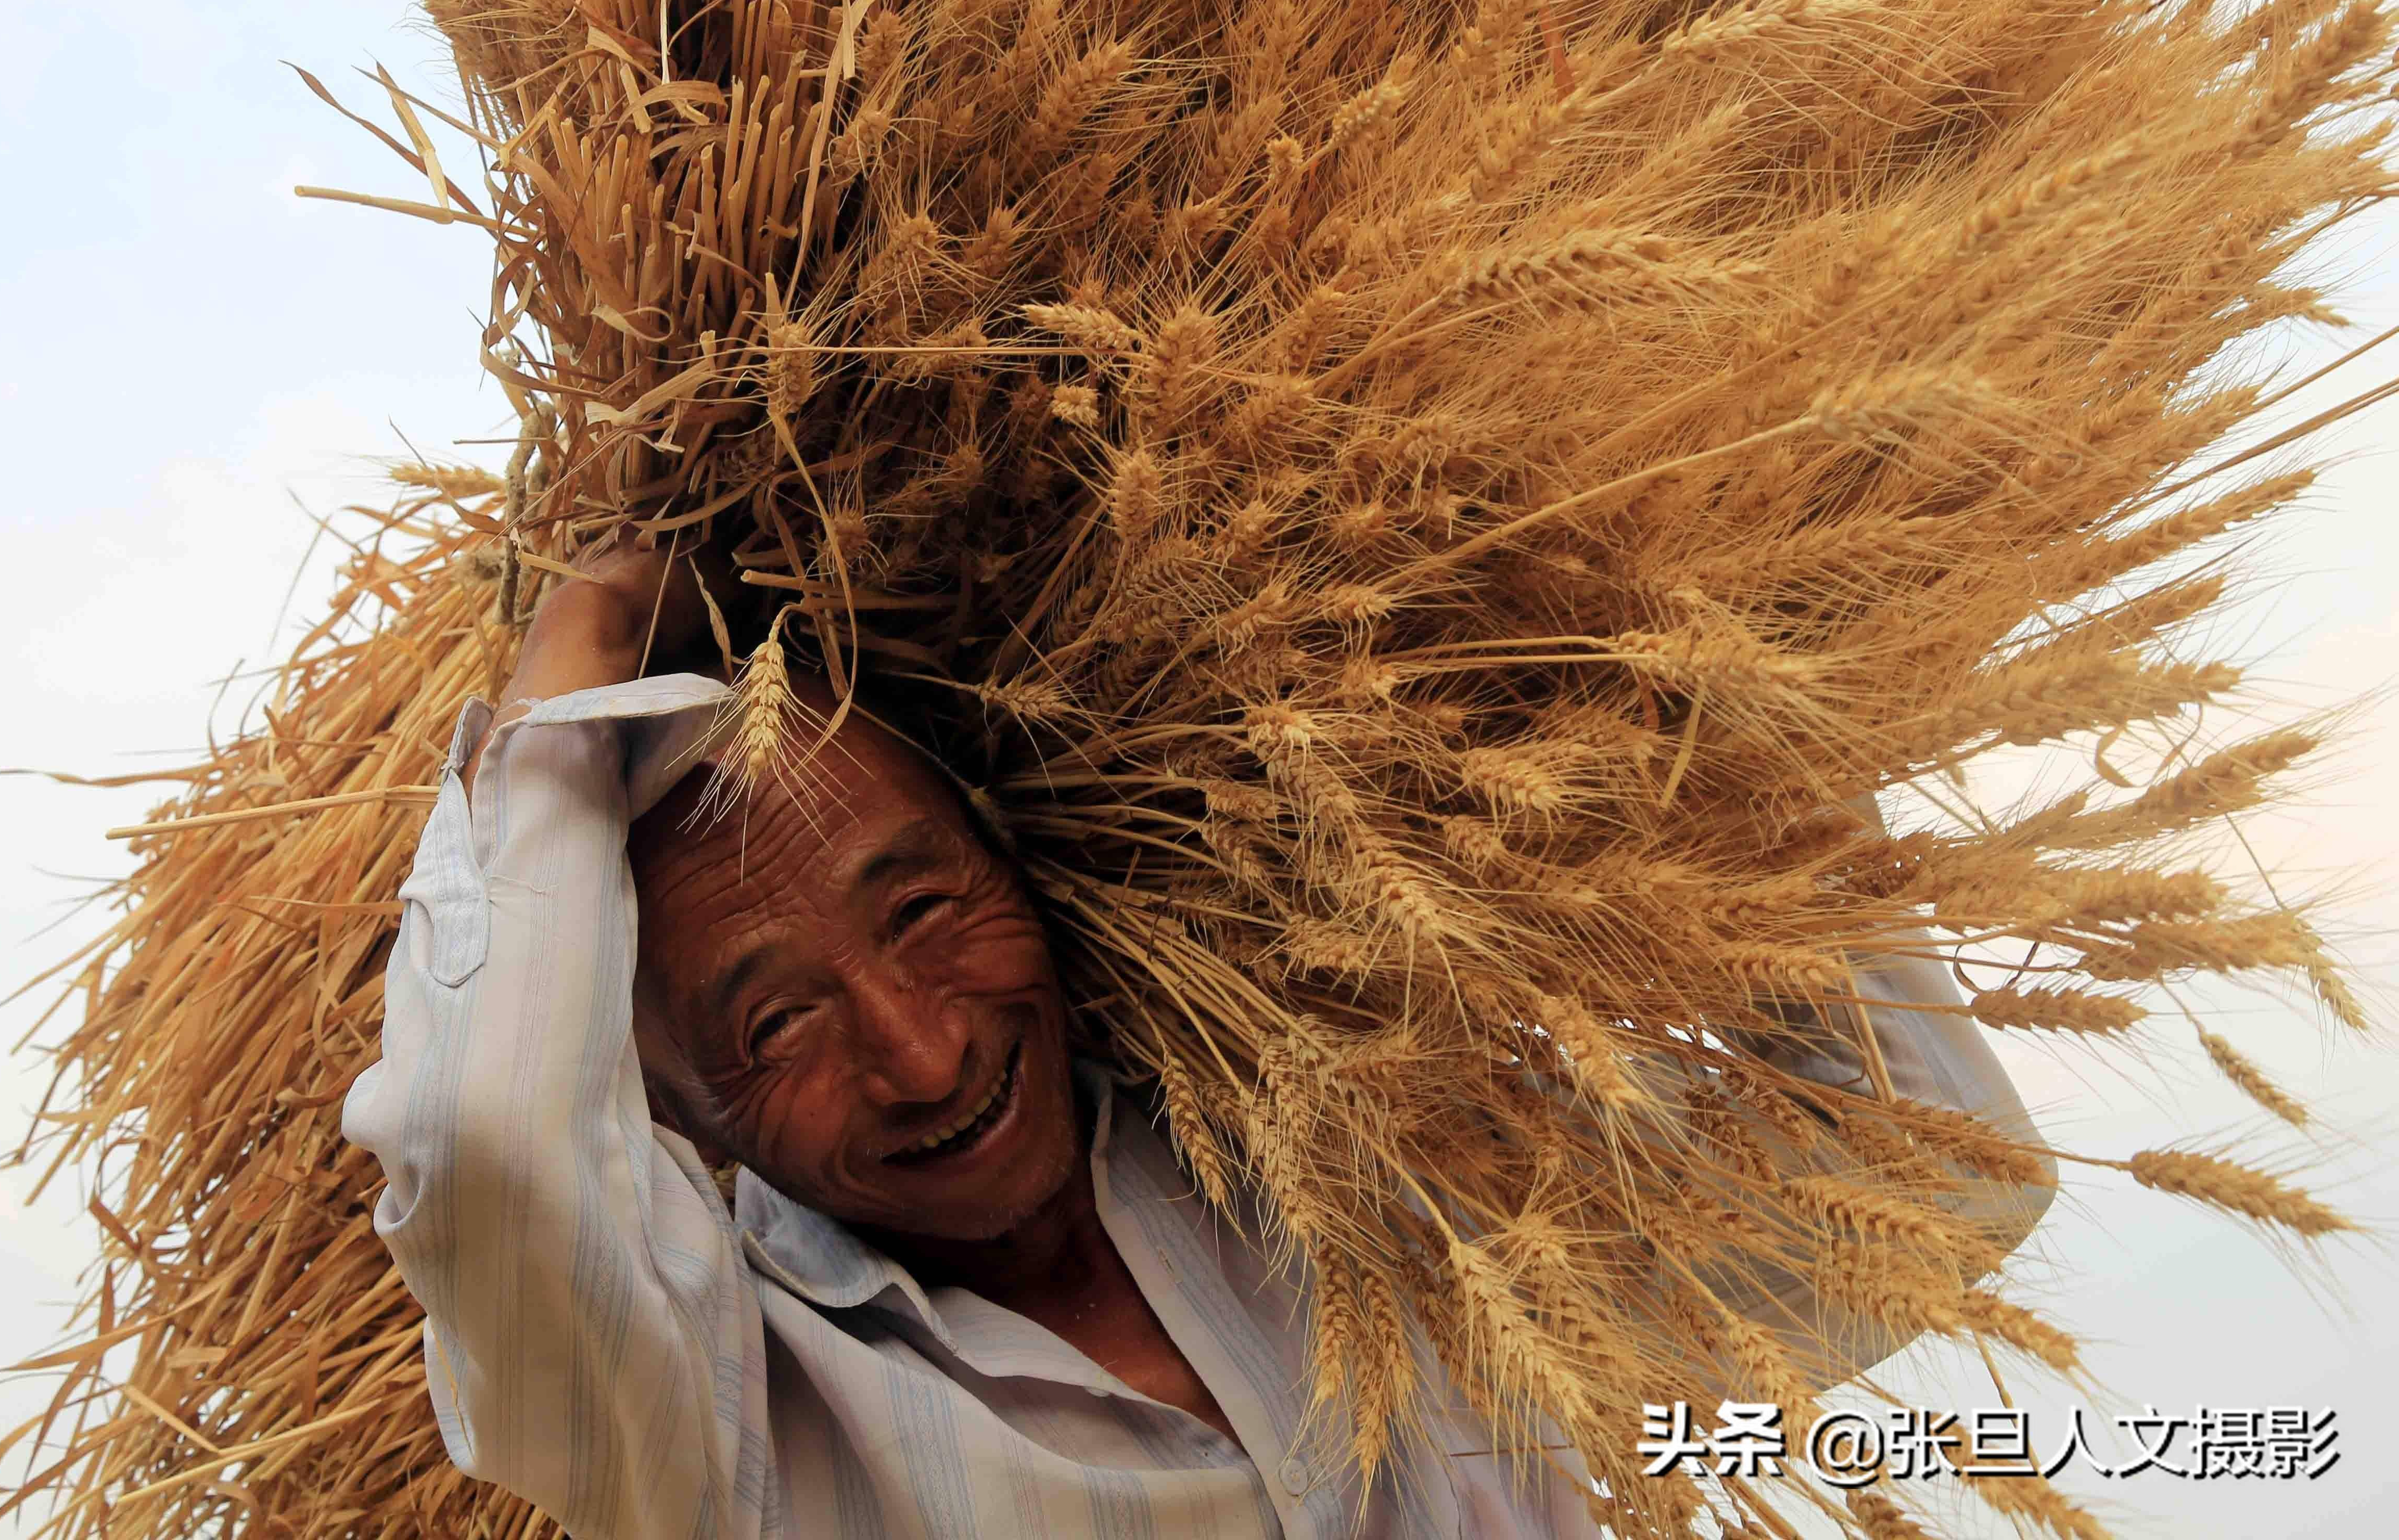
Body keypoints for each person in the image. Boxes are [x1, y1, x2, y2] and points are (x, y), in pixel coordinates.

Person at [341, 535, 2055, 1539]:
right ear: (680, 1111)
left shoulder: (1390, 1202)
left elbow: (1925, 1179)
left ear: (1022, 856)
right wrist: (571, 673)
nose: (925, 1055)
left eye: (926, 910)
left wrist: (1665, 677)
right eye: (776, 1021)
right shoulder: (719, 1423)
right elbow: (490, 1146)